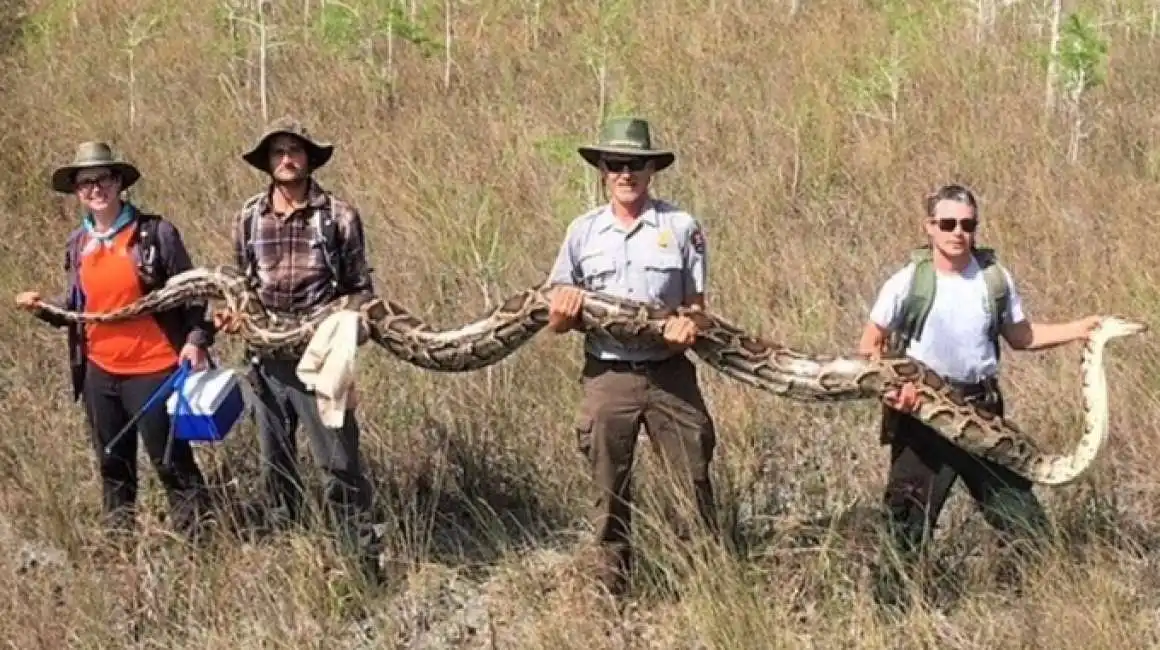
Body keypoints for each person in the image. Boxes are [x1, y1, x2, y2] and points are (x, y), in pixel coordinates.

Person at [856, 182, 1101, 606]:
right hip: (923, 418)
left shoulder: (994, 279)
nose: (958, 233)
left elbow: (1021, 336)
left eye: (967, 225)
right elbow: (870, 344)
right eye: (947, 223)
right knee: (907, 525)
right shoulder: (907, 281)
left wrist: (1081, 329)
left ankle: (1051, 602)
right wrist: (896, 392)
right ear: (929, 227)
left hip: (982, 412)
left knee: (1022, 517)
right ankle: (890, 617)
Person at [546, 116, 719, 599]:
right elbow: (556, 317)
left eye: (636, 164)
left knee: (693, 481)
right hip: (608, 374)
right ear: (602, 169)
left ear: (651, 169)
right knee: (608, 489)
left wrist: (690, 326)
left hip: (669, 374)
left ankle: (704, 588)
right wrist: (562, 312)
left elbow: (700, 311)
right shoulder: (583, 231)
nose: (626, 173)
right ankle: (611, 592)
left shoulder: (682, 227)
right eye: (616, 163)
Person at [15, 141, 215, 542]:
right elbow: (80, 307)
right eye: (85, 182)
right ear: (76, 191)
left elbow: (194, 292)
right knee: (112, 462)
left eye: (102, 178)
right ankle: (119, 546)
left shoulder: (155, 233)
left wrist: (196, 340)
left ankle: (202, 547)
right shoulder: (78, 244)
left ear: (119, 182)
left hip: (155, 369)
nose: (95, 189)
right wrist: (43, 307)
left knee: (170, 461)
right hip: (99, 372)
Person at [218, 117, 384, 584]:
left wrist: (343, 325)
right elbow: (241, 285)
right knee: (275, 465)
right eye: (278, 153)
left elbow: (360, 289)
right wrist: (233, 317)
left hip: (322, 360)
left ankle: (362, 560)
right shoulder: (248, 216)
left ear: (309, 158)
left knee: (339, 463)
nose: (287, 159)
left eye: (295, 151)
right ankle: (290, 559)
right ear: (268, 163)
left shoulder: (338, 215)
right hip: (265, 360)